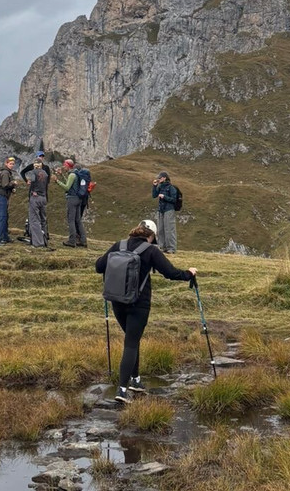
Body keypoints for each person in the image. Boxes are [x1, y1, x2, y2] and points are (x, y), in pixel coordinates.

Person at [95, 220, 196, 404]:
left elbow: (98, 266)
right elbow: (171, 273)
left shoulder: (119, 245)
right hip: (138, 304)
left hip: (117, 301)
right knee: (131, 343)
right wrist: (189, 273)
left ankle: (136, 380)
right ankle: (122, 390)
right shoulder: (150, 251)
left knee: (132, 340)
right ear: (151, 236)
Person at [19, 152, 52, 245]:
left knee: (34, 218)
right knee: (43, 218)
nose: (41, 158)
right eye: (40, 156)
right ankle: (44, 239)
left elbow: (33, 180)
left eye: (42, 156)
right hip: (43, 195)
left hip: (36, 195)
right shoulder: (45, 172)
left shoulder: (34, 171)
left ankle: (37, 241)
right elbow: (47, 181)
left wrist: (33, 188)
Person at [56, 158, 87, 247]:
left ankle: (72, 241)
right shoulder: (76, 174)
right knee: (78, 220)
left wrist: (57, 181)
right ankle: (83, 240)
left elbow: (67, 187)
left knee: (71, 220)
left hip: (72, 199)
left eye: (64, 165)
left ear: (68, 166)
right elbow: (70, 184)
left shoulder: (72, 175)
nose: (63, 167)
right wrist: (62, 175)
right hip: (79, 199)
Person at [0, 156, 18, 246]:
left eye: (13, 164)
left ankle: (4, 237)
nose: (12, 165)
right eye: (10, 164)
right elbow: (5, 185)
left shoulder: (3, 171)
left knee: (4, 217)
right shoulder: (6, 173)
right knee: (2, 217)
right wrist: (13, 183)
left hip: (1, 196)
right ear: (6, 163)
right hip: (2, 196)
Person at [151, 171, 179, 253]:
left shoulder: (171, 188)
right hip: (161, 210)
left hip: (169, 210)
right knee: (160, 229)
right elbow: (154, 195)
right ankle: (162, 247)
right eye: (158, 178)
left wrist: (164, 197)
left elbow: (174, 199)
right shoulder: (160, 187)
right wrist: (154, 186)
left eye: (160, 178)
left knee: (169, 229)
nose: (158, 179)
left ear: (164, 178)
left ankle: (171, 248)